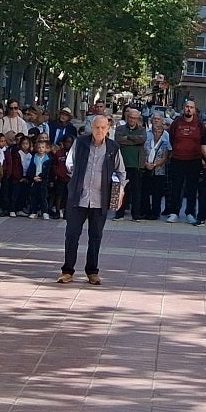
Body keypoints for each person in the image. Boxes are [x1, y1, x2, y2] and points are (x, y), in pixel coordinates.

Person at [59, 113, 126, 285]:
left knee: (96, 236)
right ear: (91, 127)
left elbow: (121, 171)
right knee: (72, 235)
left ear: (108, 129)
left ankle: (92, 271)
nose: (99, 130)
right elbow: (69, 162)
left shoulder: (113, 148)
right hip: (78, 197)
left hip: (99, 199)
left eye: (103, 127)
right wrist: (76, 176)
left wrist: (120, 191)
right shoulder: (80, 143)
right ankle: (67, 271)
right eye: (96, 127)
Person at [165, 101, 203, 222]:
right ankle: (174, 212)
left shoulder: (200, 124)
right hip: (178, 159)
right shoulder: (176, 122)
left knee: (192, 188)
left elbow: (203, 140)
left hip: (194, 160)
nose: (189, 109)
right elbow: (171, 137)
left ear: (194, 110)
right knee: (176, 187)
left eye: (191, 107)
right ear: (183, 108)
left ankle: (190, 213)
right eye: (187, 107)